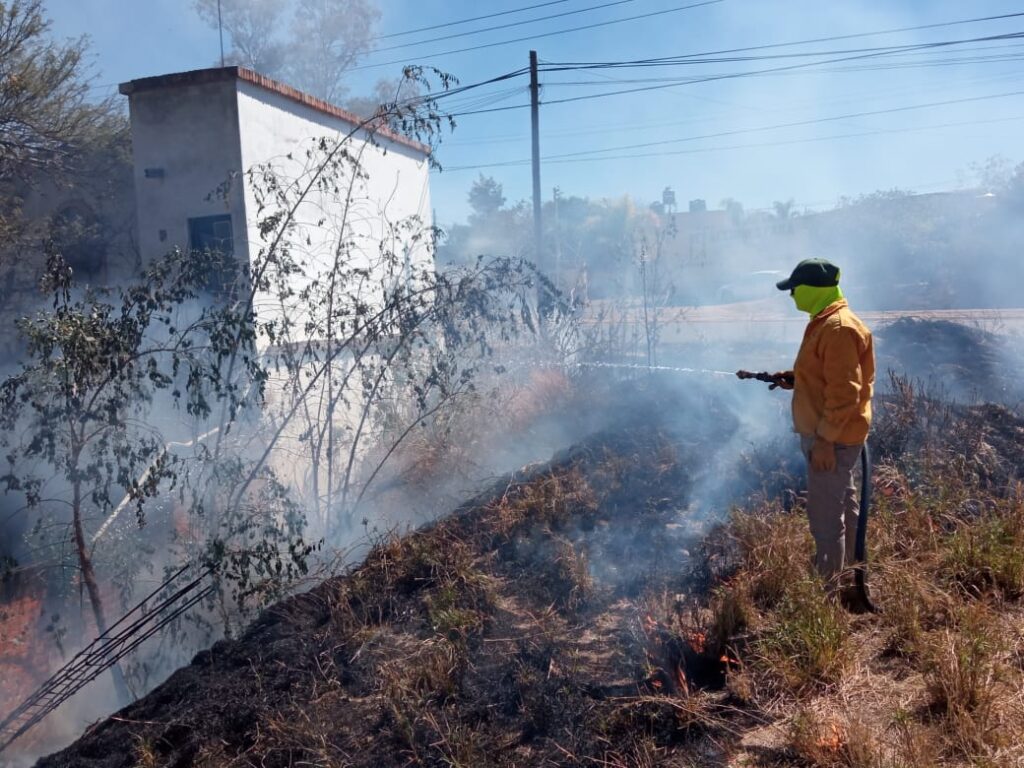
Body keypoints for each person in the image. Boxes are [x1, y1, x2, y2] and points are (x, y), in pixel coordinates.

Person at [771, 258, 875, 588]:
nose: (792, 296)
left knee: (826, 518)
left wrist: (826, 441)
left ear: (813, 290)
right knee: (844, 504)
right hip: (834, 434)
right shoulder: (826, 321)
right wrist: (798, 379)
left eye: (795, 289)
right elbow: (828, 376)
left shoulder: (838, 329)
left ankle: (827, 595)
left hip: (832, 438)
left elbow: (845, 392)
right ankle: (853, 582)